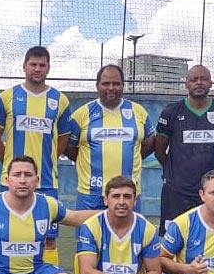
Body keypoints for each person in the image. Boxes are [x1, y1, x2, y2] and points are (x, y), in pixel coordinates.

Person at [0, 46, 72, 266]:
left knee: (50, 239)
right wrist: (10, 167)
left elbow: (64, 137)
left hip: (46, 180)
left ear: (48, 68)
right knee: (5, 234)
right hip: (10, 182)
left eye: (42, 65)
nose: (37, 69)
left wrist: (47, 162)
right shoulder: (7, 97)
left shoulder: (60, 100)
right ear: (24, 66)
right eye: (33, 64)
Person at [66, 64, 155, 213]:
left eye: (116, 83)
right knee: (89, 236)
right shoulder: (82, 114)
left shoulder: (138, 112)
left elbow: (149, 143)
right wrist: (87, 162)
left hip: (127, 194)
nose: (111, 88)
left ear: (123, 85)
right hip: (91, 194)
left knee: (127, 237)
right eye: (106, 83)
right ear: (97, 86)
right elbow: (69, 148)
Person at [155, 65, 214, 231]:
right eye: (194, 80)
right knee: (173, 237)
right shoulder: (171, 112)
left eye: (203, 79)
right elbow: (160, 150)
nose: (199, 83)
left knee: (206, 235)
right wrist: (173, 170)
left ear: (211, 83)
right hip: (176, 190)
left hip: (208, 190)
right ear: (186, 84)